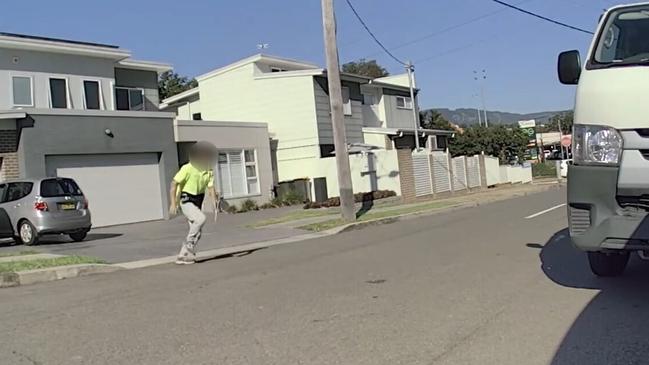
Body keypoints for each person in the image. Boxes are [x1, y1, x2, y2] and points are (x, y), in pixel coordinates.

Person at [169, 141, 218, 265]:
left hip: (198, 199)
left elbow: (211, 188)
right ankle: (189, 244)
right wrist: (173, 203)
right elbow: (174, 184)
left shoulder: (208, 170)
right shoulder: (188, 168)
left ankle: (182, 256)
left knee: (197, 231)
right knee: (200, 219)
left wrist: (214, 203)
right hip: (186, 199)